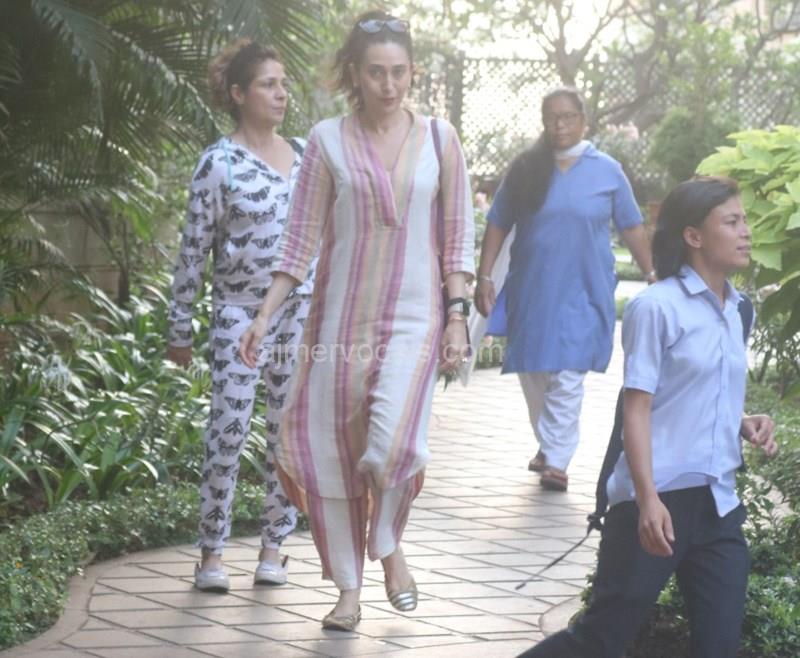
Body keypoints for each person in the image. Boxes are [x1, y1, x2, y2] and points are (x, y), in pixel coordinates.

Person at [239, 10, 474, 631]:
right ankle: (348, 590)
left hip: (416, 319)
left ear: (412, 72)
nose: (388, 85)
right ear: (354, 74)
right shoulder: (327, 140)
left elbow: (457, 236)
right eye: (375, 73)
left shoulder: (440, 139)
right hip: (338, 323)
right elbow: (300, 238)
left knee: (394, 442)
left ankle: (388, 545)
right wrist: (264, 316)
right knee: (333, 449)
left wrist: (457, 317)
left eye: (398, 72)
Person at [517, 176, 778, 658]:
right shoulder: (657, 307)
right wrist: (647, 499)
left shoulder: (739, 310)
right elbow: (636, 409)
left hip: (717, 503)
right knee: (601, 639)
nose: (746, 231)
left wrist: (740, 418)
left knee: (719, 645)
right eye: (731, 222)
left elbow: (699, 385)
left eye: (744, 220)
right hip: (657, 500)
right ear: (693, 235)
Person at [167, 39, 316, 593]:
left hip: (300, 313)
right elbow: (192, 251)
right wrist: (180, 329)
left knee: (286, 433)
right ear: (238, 93)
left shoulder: (306, 156)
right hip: (237, 314)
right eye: (268, 84)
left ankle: (274, 547)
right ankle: (211, 554)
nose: (281, 94)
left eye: (284, 84)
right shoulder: (219, 163)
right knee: (226, 434)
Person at [475, 88, 654, 491]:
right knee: (535, 370)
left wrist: (652, 272)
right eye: (552, 117)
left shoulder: (607, 170)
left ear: (583, 121)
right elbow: (498, 223)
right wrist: (485, 276)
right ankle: (548, 443)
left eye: (568, 116)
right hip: (533, 288)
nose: (560, 125)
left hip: (586, 288)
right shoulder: (526, 169)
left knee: (570, 371)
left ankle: (557, 460)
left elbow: (631, 226)